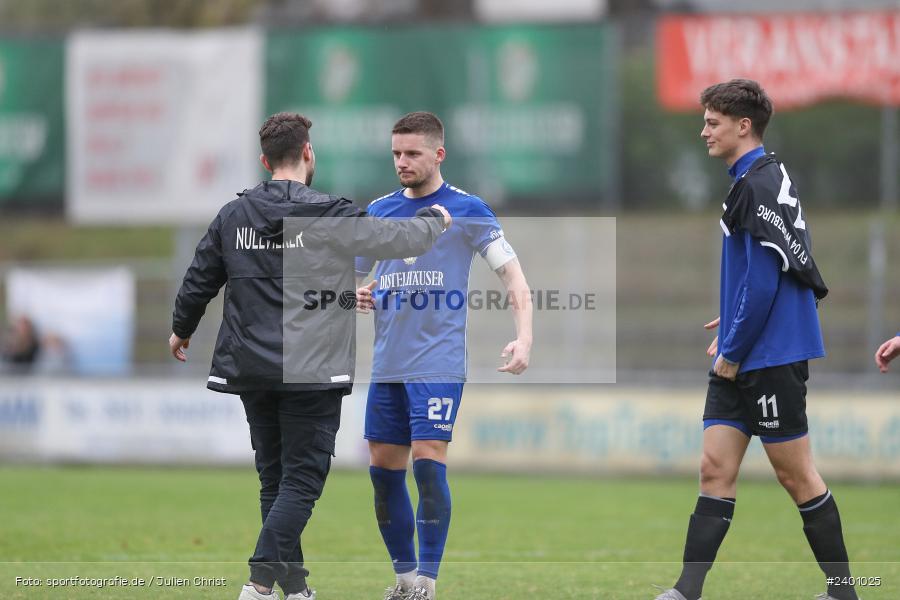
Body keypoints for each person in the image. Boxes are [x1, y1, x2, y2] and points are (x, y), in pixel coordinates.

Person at [169, 112, 452, 600]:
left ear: (264, 160)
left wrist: (181, 329)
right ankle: (258, 585)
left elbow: (201, 278)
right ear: (307, 153)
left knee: (274, 480)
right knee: (300, 482)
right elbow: (399, 240)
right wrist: (435, 219)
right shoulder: (329, 214)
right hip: (310, 369)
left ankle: (295, 590)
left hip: (252, 367)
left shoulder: (234, 216)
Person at [655, 80, 858, 600]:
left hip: (767, 355)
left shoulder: (759, 183)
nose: (703, 131)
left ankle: (844, 591)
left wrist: (733, 350)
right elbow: (762, 274)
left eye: (712, 122)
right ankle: (686, 591)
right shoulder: (758, 178)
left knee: (798, 478)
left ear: (743, 126)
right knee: (713, 468)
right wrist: (731, 318)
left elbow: (768, 281)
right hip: (746, 346)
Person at [354, 111, 533, 600]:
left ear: (439, 154)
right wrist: (359, 294)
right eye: (396, 153)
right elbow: (352, 279)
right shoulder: (380, 211)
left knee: (428, 462)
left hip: (438, 362)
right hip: (387, 364)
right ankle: (404, 579)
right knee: (381, 469)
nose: (402, 162)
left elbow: (513, 277)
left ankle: (427, 583)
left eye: (412, 153)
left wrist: (524, 337)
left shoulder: (468, 209)